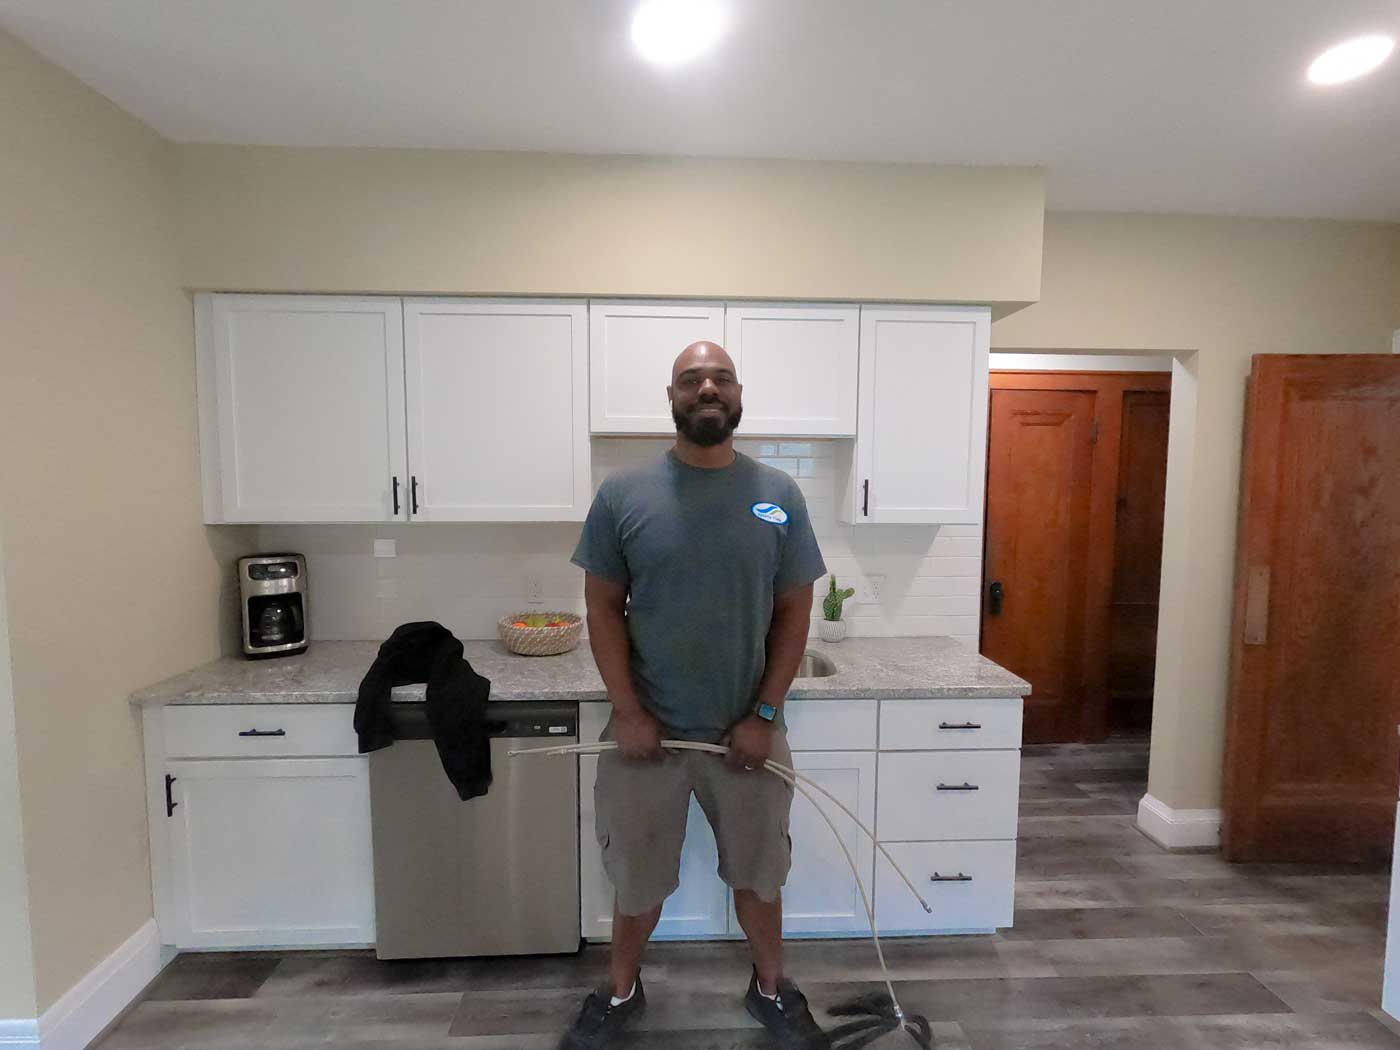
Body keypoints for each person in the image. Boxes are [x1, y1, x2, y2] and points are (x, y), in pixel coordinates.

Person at [562, 341, 830, 1050]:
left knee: (760, 877)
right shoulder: (624, 495)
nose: (706, 388)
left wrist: (764, 716)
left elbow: (795, 612)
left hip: (748, 734)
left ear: (739, 394)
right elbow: (601, 607)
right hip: (645, 738)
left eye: (720, 378)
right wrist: (628, 712)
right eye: (692, 380)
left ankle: (772, 989)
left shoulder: (779, 497)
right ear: (672, 397)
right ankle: (620, 992)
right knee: (638, 882)